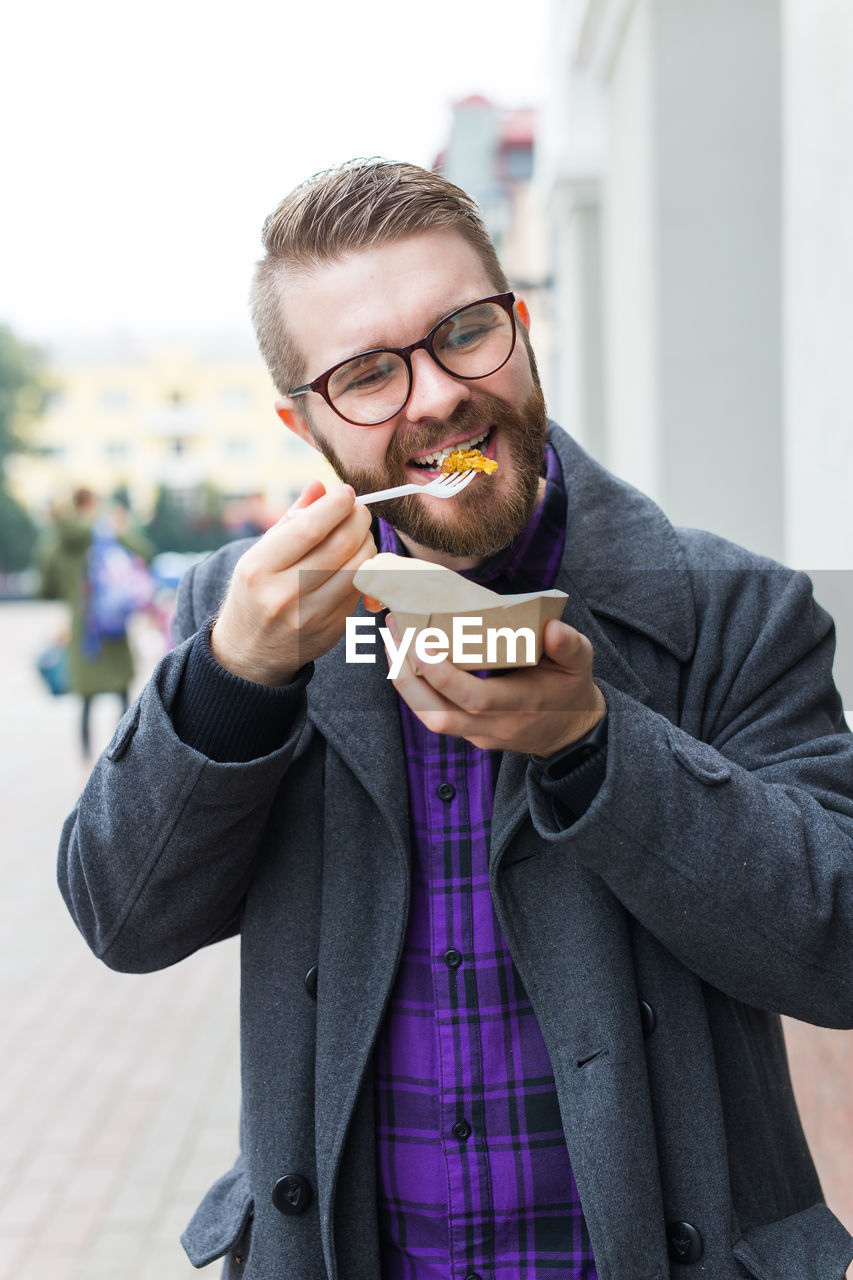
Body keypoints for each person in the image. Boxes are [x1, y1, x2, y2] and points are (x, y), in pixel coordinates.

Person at [58, 160, 853, 1280]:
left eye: (464, 332)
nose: (434, 397)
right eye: (368, 373)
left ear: (521, 329)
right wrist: (235, 675)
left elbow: (838, 946)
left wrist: (593, 742)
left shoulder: (732, 608)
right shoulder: (244, 616)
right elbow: (122, 917)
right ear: (302, 421)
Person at [37, 488, 152, 757]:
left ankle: (86, 765)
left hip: (83, 631)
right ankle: (124, 757)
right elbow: (145, 554)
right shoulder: (108, 532)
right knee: (122, 694)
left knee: (85, 700)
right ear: (93, 504)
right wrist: (118, 527)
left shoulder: (57, 542)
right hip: (112, 624)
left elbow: (44, 587)